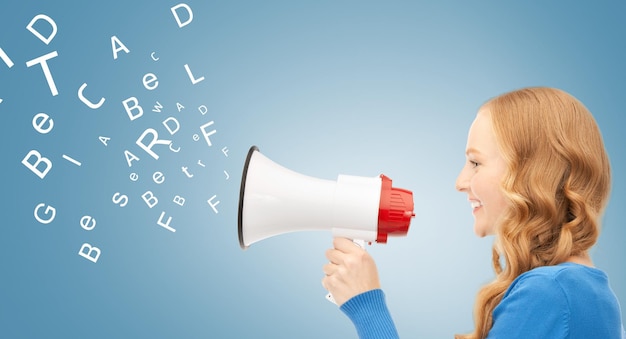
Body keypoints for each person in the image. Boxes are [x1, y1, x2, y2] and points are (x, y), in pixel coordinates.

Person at [322, 87, 625, 338]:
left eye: (475, 163)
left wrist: (367, 307)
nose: (460, 182)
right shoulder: (584, 292)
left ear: (531, 174)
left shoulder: (551, 294)